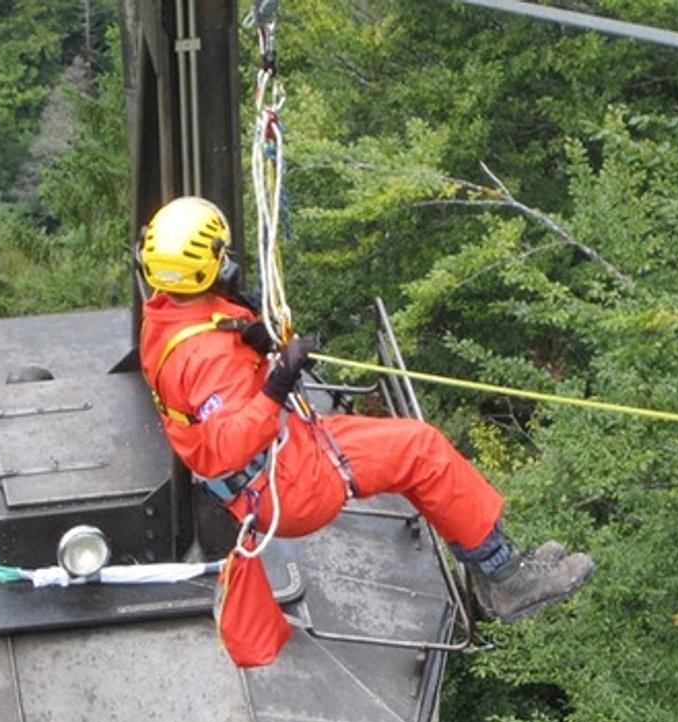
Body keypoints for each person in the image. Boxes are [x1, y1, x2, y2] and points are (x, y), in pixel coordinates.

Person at [136, 195, 595, 623]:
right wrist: (279, 380)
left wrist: (248, 334)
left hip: (274, 460)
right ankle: (505, 577)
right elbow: (231, 441)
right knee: (422, 451)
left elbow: (204, 366)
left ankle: (487, 564)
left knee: (412, 451)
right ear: (208, 270)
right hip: (285, 482)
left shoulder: (164, 315)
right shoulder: (206, 357)